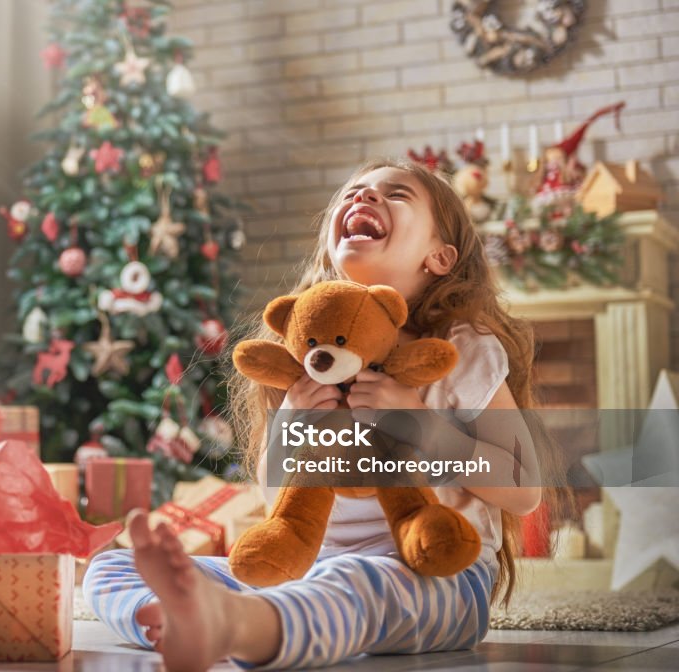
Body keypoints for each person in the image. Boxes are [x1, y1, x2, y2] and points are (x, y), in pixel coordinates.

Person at [84, 158, 562, 671]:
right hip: (309, 569)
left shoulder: (458, 348)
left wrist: (416, 423)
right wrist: (293, 420)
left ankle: (235, 625)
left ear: (439, 257)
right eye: (352, 192)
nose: (364, 198)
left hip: (435, 576)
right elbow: (277, 499)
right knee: (110, 568)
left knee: (355, 584)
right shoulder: (304, 358)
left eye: (396, 194)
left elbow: (523, 487)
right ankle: (169, 616)